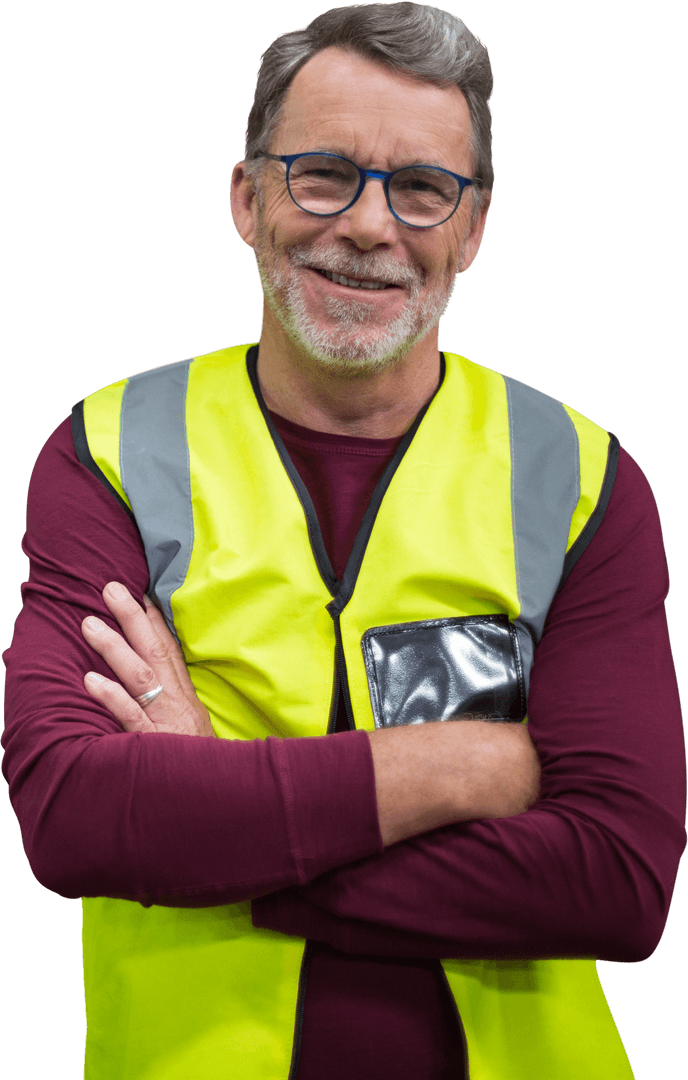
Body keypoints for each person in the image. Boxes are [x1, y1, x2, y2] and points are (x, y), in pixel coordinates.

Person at [2, 4, 685, 1079]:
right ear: (247, 197)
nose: (369, 227)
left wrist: (215, 812)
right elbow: (73, 817)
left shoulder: (580, 476)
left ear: (472, 228)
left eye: (422, 189)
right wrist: (463, 764)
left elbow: (616, 881)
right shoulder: (109, 453)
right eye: (323, 172)